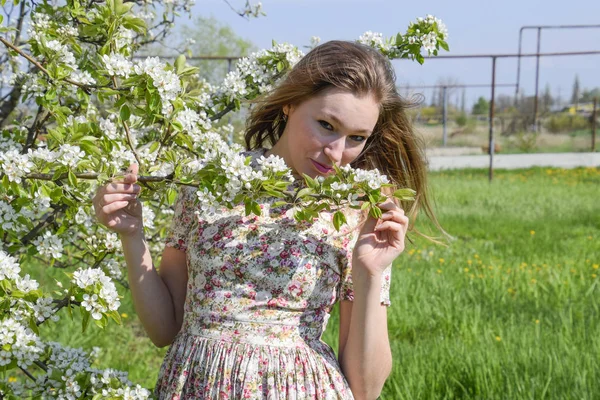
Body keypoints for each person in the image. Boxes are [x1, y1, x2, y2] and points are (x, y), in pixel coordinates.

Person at [93, 40, 438, 400]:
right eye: (325, 124)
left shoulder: (358, 213)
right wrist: (132, 236)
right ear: (290, 103)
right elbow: (164, 329)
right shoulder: (212, 183)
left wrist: (370, 271)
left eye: (357, 137)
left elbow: (366, 389)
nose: (337, 153)